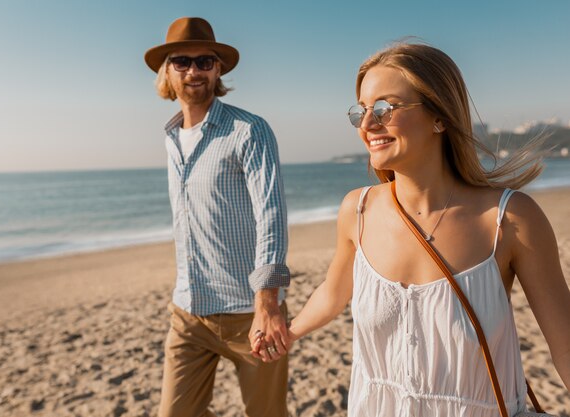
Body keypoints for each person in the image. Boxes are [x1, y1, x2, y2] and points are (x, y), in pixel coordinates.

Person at [253, 43, 570, 416]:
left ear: (440, 117)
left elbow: (564, 345)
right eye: (362, 111)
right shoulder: (358, 210)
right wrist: (288, 331)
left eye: (386, 108)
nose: (369, 125)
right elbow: (334, 291)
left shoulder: (509, 219)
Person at [144, 17, 291, 417]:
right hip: (188, 312)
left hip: (249, 312)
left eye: (205, 61)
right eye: (182, 62)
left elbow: (271, 213)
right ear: (167, 71)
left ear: (218, 68)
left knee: (268, 414)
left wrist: (268, 301)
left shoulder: (249, 131)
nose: (194, 71)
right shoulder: (171, 136)